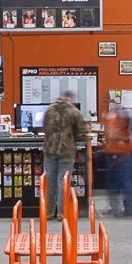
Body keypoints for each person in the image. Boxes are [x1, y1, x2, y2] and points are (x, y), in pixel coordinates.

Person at [40, 91, 88, 220]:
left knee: (50, 181)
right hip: (66, 151)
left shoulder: (50, 109)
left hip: (50, 150)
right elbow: (82, 131)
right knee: (63, 181)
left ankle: (49, 212)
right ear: (71, 99)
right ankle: (62, 213)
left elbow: (44, 127)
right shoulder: (74, 111)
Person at [101, 95, 132, 217]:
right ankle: (114, 207)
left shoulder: (126, 118)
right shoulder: (109, 117)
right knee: (111, 182)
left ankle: (129, 209)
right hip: (111, 153)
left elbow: (130, 136)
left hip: (124, 154)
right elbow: (108, 134)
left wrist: (117, 138)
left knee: (125, 182)